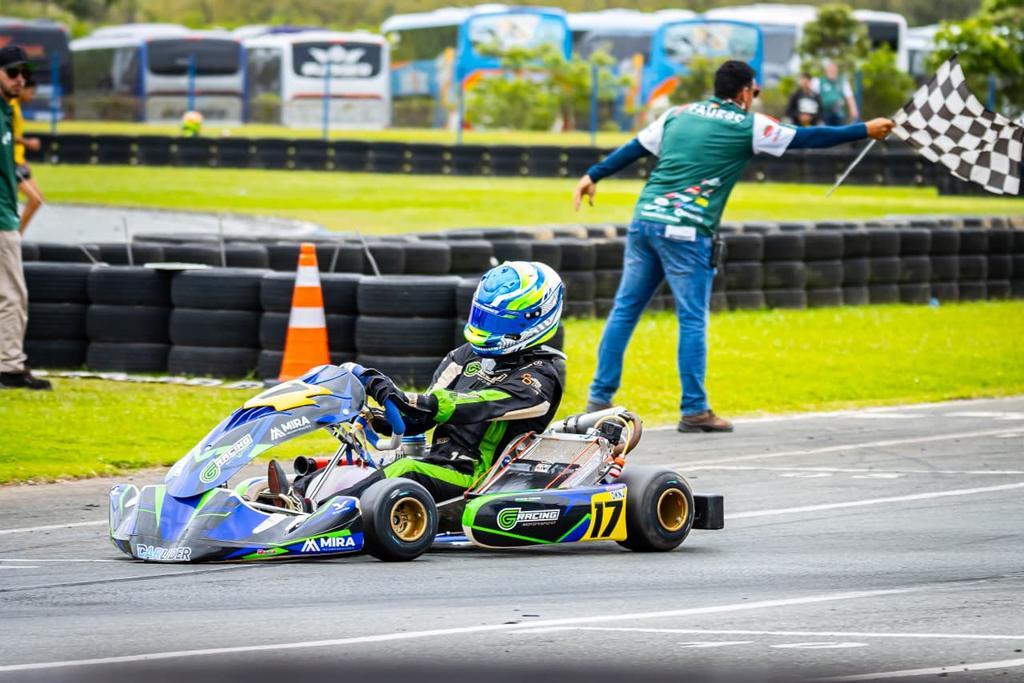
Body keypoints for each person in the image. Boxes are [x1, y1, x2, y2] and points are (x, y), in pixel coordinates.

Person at [571, 60, 893, 433]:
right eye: (754, 93)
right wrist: (864, 129)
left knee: (624, 311)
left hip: (644, 221)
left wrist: (592, 175)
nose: (754, 100)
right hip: (687, 232)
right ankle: (694, 410)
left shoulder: (678, 114)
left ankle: (598, 400)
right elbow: (807, 138)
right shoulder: (748, 125)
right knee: (691, 318)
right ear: (744, 93)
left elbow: (633, 148)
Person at [270, 261, 566, 503]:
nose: (485, 329)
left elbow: (476, 405)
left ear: (532, 319)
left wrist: (410, 399)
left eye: (498, 322)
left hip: (478, 477)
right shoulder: (466, 356)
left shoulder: (539, 377)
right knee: (360, 465)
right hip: (437, 462)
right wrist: (382, 415)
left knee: (406, 470)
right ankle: (289, 496)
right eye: (482, 317)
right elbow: (420, 418)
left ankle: (319, 512)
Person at [0, 46, 50, 390]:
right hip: (2, 219)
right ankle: (9, 366)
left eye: (24, 75)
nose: (20, 80)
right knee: (13, 295)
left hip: (6, 210)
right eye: (12, 73)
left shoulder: (7, 113)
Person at [12, 76, 43, 234]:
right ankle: (15, 236)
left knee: (38, 198)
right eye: (31, 92)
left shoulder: (17, 107)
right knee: (35, 199)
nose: (32, 96)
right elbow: (6, 135)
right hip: (10, 163)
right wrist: (27, 143)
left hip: (18, 161)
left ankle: (15, 236)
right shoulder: (9, 107)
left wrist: (23, 159)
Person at [812, 61, 859, 126]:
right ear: (826, 71)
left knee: (839, 132)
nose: (832, 71)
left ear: (837, 71)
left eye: (833, 70)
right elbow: (812, 97)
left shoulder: (842, 81)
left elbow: (849, 97)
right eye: (830, 70)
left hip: (839, 114)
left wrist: (853, 110)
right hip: (823, 115)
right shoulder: (819, 81)